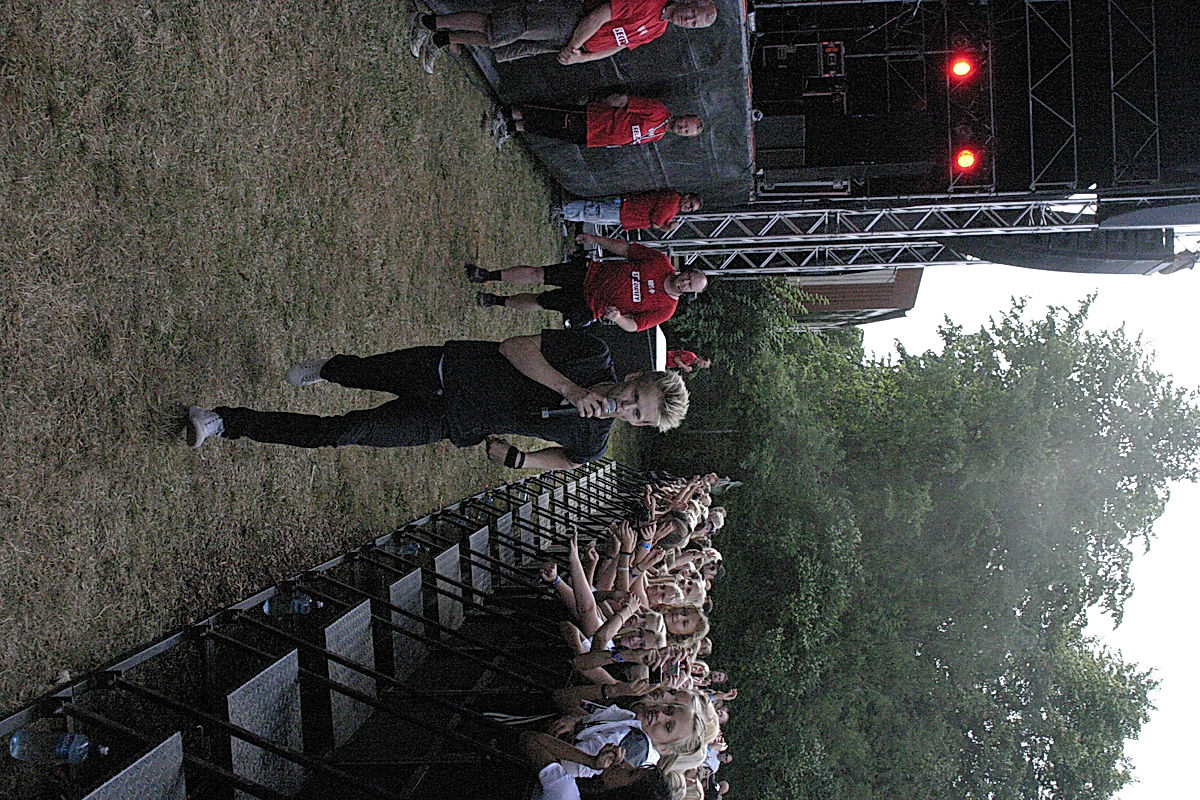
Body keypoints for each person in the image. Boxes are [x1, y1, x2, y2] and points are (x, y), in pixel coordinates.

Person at [185, 330, 688, 471]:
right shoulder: (592, 354)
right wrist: (570, 389)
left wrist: (519, 458)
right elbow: (514, 348)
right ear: (635, 375)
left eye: (637, 414)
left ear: (639, 426)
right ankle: (329, 368)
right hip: (449, 367)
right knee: (358, 372)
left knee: (342, 433)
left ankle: (223, 421)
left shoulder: (593, 439)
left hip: (447, 419)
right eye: (634, 395)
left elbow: (566, 459)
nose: (626, 406)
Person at [471, 233, 709, 333]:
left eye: (690, 285)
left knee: (541, 301)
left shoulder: (666, 310)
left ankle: (496, 301)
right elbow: (625, 248)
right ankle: (487, 276)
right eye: (689, 276)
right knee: (537, 274)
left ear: (689, 293)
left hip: (590, 304)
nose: (686, 282)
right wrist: (594, 239)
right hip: (589, 273)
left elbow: (635, 326)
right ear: (687, 271)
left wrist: (618, 319)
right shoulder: (660, 262)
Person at [408, 0, 717, 68]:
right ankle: (428, 23)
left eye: (693, 24)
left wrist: (581, 58)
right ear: (690, 2)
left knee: (499, 43)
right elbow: (598, 16)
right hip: (569, 22)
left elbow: (617, 48)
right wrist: (575, 45)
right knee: (497, 26)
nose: (687, 19)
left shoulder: (659, 29)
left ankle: (441, 40)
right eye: (692, 13)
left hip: (572, 45)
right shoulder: (651, 2)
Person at [498, 95, 702, 148]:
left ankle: (512, 127)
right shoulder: (658, 110)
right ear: (684, 116)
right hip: (593, 119)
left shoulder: (658, 135)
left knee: (551, 130)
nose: (682, 128)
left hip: (593, 138)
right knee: (551, 115)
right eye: (685, 124)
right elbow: (624, 101)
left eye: (685, 131)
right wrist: (602, 104)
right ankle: (507, 113)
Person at [560, 191, 702, 232]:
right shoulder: (673, 201)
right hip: (626, 211)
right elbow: (655, 223)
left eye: (691, 209)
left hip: (626, 216)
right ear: (687, 196)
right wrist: (668, 228)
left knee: (593, 214)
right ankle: (562, 209)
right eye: (690, 204)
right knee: (593, 212)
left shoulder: (675, 207)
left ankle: (564, 212)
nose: (688, 209)